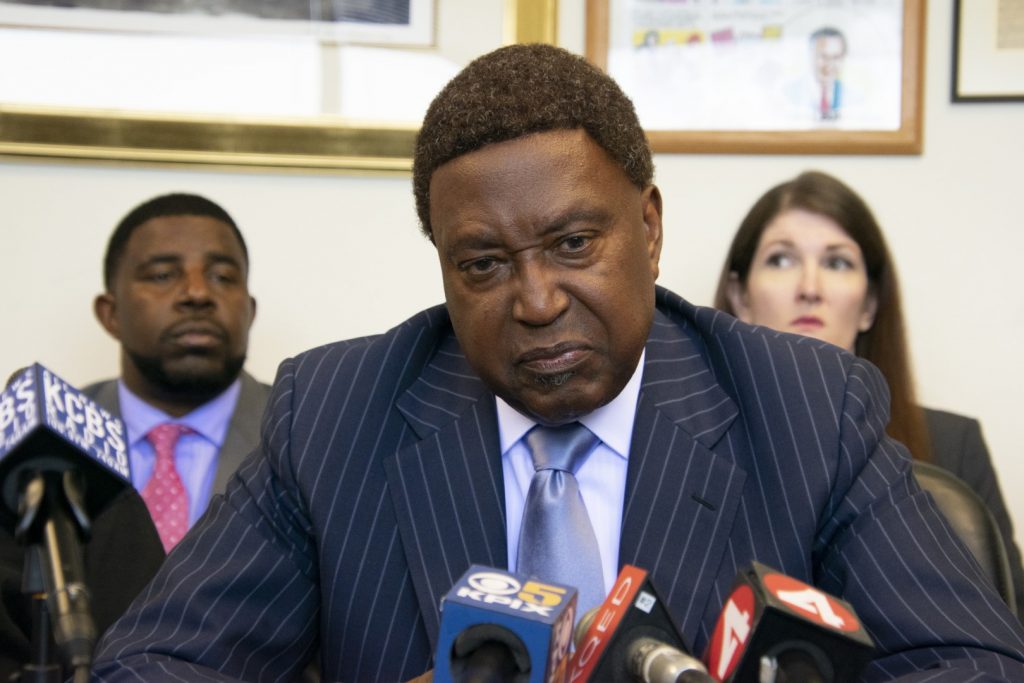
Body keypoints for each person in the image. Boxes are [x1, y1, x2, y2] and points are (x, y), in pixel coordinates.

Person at [92, 44, 1024, 681]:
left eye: (574, 243)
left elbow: (971, 663)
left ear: (650, 229)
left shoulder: (807, 408)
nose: (535, 301)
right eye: (484, 264)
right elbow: (152, 663)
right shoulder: (337, 415)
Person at [713, 169, 1024, 617]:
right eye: (781, 260)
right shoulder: (687, 441)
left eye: (837, 262)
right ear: (739, 295)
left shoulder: (954, 444)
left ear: (870, 304)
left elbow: (1003, 634)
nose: (810, 288)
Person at [87, 193, 270, 552]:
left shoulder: (307, 436)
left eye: (222, 276)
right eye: (162, 275)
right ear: (111, 314)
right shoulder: (56, 438)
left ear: (248, 312)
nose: (197, 293)